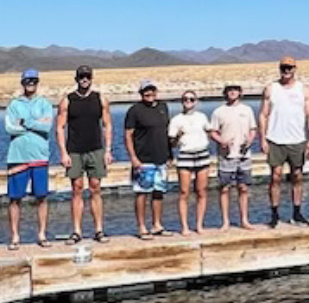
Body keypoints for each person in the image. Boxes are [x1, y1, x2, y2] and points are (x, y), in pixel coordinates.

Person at [58, 65, 114, 243]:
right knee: (77, 189)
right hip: (74, 150)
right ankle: (77, 231)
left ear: (91, 78)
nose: (84, 79)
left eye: (87, 76)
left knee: (96, 187)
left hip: (95, 149)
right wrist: (63, 152)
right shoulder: (68, 100)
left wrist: (108, 150)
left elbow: (107, 125)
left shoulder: (100, 99)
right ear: (76, 79)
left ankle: (99, 230)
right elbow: (59, 127)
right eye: (81, 76)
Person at [3, 70, 55, 249]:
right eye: (27, 81)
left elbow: (47, 126)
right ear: (22, 82)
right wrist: (35, 124)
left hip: (40, 156)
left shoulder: (45, 103)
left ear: (37, 82)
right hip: (17, 156)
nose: (30, 83)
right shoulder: (14, 104)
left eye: (33, 80)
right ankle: (15, 236)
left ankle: (42, 234)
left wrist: (26, 122)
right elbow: (10, 127)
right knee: (15, 198)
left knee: (41, 196)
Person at [261, 57, 309, 227]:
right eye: (284, 67)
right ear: (279, 68)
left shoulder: (304, 90)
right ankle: (274, 213)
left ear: (295, 69)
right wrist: (262, 138)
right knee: (275, 176)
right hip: (275, 139)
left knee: (297, 175)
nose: (287, 70)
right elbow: (264, 114)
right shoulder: (271, 89)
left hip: (297, 139)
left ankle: (297, 212)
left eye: (290, 67)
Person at [124, 80, 173, 238]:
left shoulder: (163, 107)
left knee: (158, 192)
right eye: (146, 91)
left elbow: (166, 132)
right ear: (141, 93)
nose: (149, 94)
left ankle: (157, 225)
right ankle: (142, 227)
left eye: (152, 90)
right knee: (142, 193)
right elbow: (128, 135)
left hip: (161, 158)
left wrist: (170, 155)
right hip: (143, 159)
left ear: (156, 92)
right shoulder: (134, 110)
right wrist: (133, 157)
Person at [208, 84, 260, 229]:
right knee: (224, 188)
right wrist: (221, 141)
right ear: (225, 93)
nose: (232, 92)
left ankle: (244, 220)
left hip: (244, 155)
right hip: (227, 156)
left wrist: (250, 140)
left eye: (235, 90)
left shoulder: (247, 110)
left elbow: (253, 129)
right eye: (230, 90)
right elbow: (212, 131)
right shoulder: (219, 112)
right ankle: (225, 221)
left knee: (243, 187)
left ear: (240, 93)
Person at [169, 90, 214, 233]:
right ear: (181, 102)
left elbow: (210, 131)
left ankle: (199, 225)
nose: (188, 102)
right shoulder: (176, 120)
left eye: (191, 99)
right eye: (185, 99)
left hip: (202, 154)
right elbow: (172, 143)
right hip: (185, 156)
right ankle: (185, 226)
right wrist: (178, 136)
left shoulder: (201, 117)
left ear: (196, 102)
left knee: (201, 191)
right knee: (184, 192)